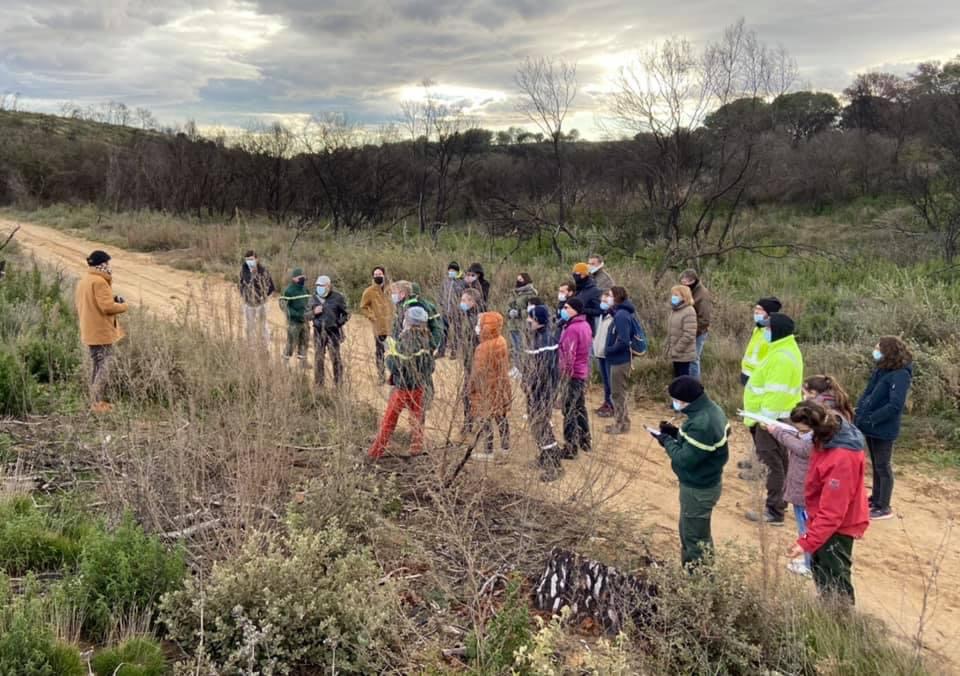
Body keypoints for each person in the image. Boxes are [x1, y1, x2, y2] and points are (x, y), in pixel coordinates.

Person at [767, 375, 856, 577]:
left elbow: (805, 448)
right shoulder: (834, 414)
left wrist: (780, 433)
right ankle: (812, 562)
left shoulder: (822, 420)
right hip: (809, 482)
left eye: (805, 391)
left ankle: (809, 564)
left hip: (806, 483)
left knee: (806, 526)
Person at [786, 401, 870, 604]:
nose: (801, 436)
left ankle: (841, 623)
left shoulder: (841, 459)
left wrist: (806, 542)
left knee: (835, 582)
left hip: (838, 528)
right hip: (824, 522)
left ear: (816, 429)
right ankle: (828, 614)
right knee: (822, 574)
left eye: (803, 431)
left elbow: (833, 513)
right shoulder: (828, 438)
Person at [654, 377, 730, 567]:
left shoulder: (701, 423)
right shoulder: (712, 410)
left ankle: (697, 581)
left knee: (694, 538)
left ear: (685, 401)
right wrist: (675, 433)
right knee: (693, 531)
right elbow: (701, 446)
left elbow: (684, 459)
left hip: (698, 488)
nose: (674, 404)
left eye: (675, 400)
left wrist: (667, 441)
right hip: (706, 482)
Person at [743, 312, 804, 526]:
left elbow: (775, 393)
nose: (765, 332)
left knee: (772, 464)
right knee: (780, 462)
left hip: (772, 419)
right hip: (777, 418)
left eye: (768, 328)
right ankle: (777, 506)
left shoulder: (781, 357)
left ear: (776, 331)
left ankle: (775, 511)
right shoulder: (783, 350)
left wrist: (764, 421)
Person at [855, 336, 914, 521]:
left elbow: (895, 405)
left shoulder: (900, 374)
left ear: (887, 351)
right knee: (876, 464)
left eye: (878, 348)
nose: (875, 351)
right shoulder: (882, 370)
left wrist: (873, 418)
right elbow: (870, 393)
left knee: (883, 466)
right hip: (869, 425)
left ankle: (884, 505)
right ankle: (876, 498)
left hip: (883, 427)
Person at [367, 306, 435, 460]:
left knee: (389, 420)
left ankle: (375, 453)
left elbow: (396, 365)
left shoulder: (407, 339)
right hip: (419, 387)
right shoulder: (426, 338)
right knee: (416, 419)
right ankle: (417, 448)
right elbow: (431, 366)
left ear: (409, 321)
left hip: (403, 388)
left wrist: (390, 352)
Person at [75, 250, 128, 413]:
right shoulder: (99, 281)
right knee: (105, 365)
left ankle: (95, 402)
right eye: (107, 263)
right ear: (101, 264)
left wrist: (112, 299)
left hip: (90, 330)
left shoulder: (84, 280)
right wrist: (124, 306)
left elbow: (93, 303)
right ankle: (96, 404)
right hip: (101, 332)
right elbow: (107, 307)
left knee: (98, 365)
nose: (109, 266)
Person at [523, 305, 562, 481]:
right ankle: (545, 456)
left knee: (541, 424)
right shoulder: (539, 337)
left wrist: (533, 389)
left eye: (531, 318)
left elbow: (542, 370)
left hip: (541, 392)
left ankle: (554, 464)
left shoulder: (544, 341)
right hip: (538, 391)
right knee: (537, 423)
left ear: (538, 320)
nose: (528, 320)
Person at [467, 312, 512, 461]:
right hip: (500, 384)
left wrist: (470, 388)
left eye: (480, 324)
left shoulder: (483, 348)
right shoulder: (501, 340)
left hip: (485, 388)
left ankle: (488, 451)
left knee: (485, 418)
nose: (478, 327)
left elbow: (477, 372)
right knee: (501, 416)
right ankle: (506, 448)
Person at [558, 297, 592, 457]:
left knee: (569, 409)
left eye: (566, 307)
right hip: (582, 372)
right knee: (579, 406)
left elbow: (569, 356)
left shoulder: (572, 329)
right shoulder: (585, 325)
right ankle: (585, 440)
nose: (563, 310)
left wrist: (564, 375)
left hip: (572, 375)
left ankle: (570, 447)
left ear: (574, 310)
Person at [604, 287, 636, 435]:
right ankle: (623, 422)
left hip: (620, 360)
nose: (607, 298)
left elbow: (624, 340)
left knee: (617, 393)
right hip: (619, 359)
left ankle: (621, 424)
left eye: (609, 295)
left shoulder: (621, 316)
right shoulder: (620, 313)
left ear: (617, 297)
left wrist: (609, 350)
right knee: (618, 392)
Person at [307, 275, 349, 388]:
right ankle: (319, 385)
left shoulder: (338, 297)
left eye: (321, 285)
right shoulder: (313, 298)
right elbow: (305, 315)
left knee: (335, 358)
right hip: (318, 331)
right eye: (317, 286)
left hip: (333, 332)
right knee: (319, 358)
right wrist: (313, 313)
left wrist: (338, 323)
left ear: (329, 286)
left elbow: (346, 313)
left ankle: (339, 384)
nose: (319, 288)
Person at [360, 266, 394, 384]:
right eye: (375, 274)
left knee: (394, 352)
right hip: (378, 327)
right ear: (373, 276)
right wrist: (371, 316)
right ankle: (381, 375)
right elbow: (363, 307)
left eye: (380, 274)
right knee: (379, 352)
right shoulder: (369, 291)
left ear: (384, 275)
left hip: (391, 327)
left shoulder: (391, 289)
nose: (378, 276)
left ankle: (394, 376)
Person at [457, 288, 483, 435]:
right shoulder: (466, 316)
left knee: (470, 394)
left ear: (473, 302)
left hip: (476, 362)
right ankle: (470, 422)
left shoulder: (478, 319)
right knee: (467, 394)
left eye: (464, 300)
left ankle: (471, 423)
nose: (462, 303)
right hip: (468, 361)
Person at [741, 297, 782, 386]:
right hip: (747, 373)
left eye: (760, 310)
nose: (756, 312)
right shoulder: (757, 329)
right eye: (756, 308)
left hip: (759, 377)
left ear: (769, 313)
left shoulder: (773, 333)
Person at [238, 250, 275, 346]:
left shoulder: (263, 271)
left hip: (261, 304)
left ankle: (265, 346)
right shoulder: (243, 270)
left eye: (251, 259)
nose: (249, 262)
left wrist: (264, 297)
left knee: (263, 326)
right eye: (247, 260)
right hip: (248, 304)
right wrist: (244, 295)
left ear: (256, 259)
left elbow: (271, 287)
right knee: (250, 326)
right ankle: (251, 347)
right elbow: (241, 283)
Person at [680, 269, 712, 380]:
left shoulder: (703, 295)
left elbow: (704, 320)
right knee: (684, 358)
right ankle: (685, 383)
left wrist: (692, 332)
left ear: (693, 281)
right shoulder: (687, 291)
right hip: (686, 330)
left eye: (686, 284)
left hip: (698, 332)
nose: (684, 286)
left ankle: (694, 385)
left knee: (693, 359)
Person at [592, 289, 616, 418]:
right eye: (602, 299)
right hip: (600, 352)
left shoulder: (616, 315)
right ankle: (607, 402)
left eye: (606, 299)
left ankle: (612, 406)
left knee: (611, 381)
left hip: (609, 353)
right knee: (606, 381)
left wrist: (610, 349)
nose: (603, 302)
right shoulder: (604, 314)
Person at [279, 268, 311, 364]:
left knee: (304, 341)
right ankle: (285, 361)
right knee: (292, 342)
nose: (302, 279)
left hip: (305, 321)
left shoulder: (305, 289)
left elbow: (309, 302)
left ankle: (303, 362)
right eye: (299, 277)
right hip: (294, 322)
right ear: (294, 278)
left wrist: (309, 314)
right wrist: (297, 314)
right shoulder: (288, 291)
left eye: (303, 276)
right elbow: (283, 306)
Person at [507, 273, 538, 367]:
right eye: (517, 279)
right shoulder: (515, 292)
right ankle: (516, 367)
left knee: (522, 349)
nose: (518, 282)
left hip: (523, 326)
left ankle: (523, 368)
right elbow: (508, 305)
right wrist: (509, 311)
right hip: (512, 325)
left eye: (521, 280)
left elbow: (533, 311)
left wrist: (519, 313)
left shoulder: (531, 294)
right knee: (515, 349)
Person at [666, 285, 697, 377]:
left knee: (683, 379)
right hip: (676, 354)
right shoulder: (675, 310)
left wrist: (677, 349)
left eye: (676, 295)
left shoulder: (689, 311)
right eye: (672, 295)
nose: (673, 297)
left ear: (684, 296)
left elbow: (689, 335)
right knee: (677, 379)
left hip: (684, 354)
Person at [438, 262, 466, 358]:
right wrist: (441, 303)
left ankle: (454, 352)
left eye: (453, 270)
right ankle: (441, 351)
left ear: (457, 271)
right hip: (445, 311)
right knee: (443, 331)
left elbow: (464, 296)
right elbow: (441, 293)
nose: (451, 272)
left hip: (457, 312)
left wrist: (461, 309)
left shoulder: (462, 282)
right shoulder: (446, 281)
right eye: (449, 270)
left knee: (457, 332)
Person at [571, 263, 602, 334]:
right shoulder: (577, 289)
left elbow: (599, 311)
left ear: (583, 274)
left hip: (586, 330)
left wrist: (582, 310)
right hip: (574, 328)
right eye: (573, 273)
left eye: (576, 273)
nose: (574, 275)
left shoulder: (594, 290)